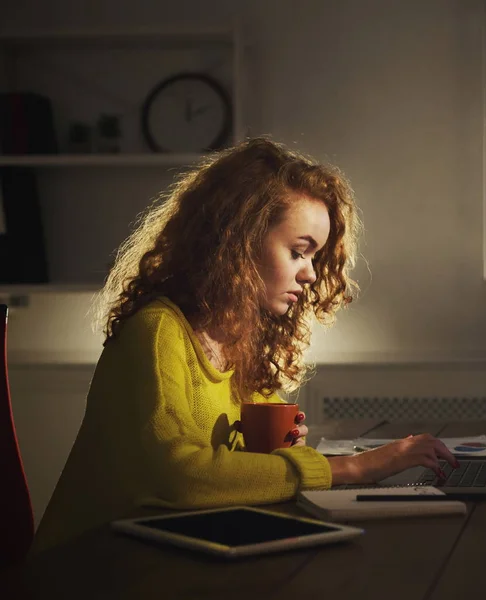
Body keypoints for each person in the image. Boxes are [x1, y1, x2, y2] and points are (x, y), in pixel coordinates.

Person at [32, 137, 458, 553]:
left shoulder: (238, 339)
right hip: (92, 564)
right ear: (237, 243)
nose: (310, 275)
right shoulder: (158, 330)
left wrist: (282, 450)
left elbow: (248, 468)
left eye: (315, 257)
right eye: (298, 251)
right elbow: (178, 477)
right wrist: (356, 466)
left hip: (176, 552)